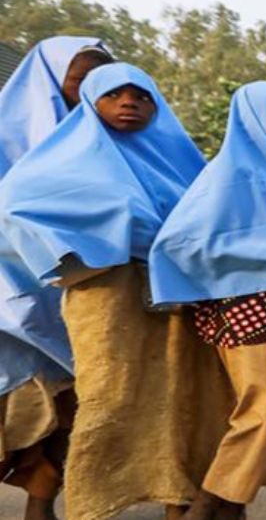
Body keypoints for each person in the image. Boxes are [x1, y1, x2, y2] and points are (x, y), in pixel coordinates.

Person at [0, 63, 232, 520]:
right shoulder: (61, 160)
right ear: (91, 103)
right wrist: (90, 248)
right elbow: (13, 211)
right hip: (106, 299)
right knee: (110, 399)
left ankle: (177, 499)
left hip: (177, 303)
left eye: (141, 96)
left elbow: (211, 219)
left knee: (182, 398)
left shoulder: (181, 162)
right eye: (115, 95)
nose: (129, 103)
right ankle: (90, 505)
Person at [148, 82, 266, 519]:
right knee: (265, 408)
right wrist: (259, 258)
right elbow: (176, 243)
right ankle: (208, 502)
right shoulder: (225, 176)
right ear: (254, 121)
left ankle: (233, 505)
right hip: (240, 310)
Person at [0, 37, 112, 520]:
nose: (88, 88)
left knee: (69, 408)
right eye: (79, 77)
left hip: (72, 298)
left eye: (98, 79)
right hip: (9, 296)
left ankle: (40, 501)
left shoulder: (101, 139)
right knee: (9, 406)